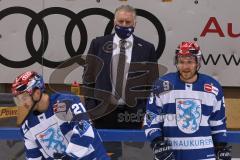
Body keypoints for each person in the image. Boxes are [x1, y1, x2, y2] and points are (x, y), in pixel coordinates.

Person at [83, 5, 159, 160]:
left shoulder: (147, 48)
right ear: (114, 21)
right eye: (121, 21)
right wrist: (91, 108)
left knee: (133, 156)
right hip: (102, 113)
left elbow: (152, 85)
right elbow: (88, 78)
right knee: (105, 155)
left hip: (133, 114)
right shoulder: (98, 44)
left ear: (135, 23)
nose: (124, 25)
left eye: (128, 22)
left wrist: (145, 113)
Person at [144, 41, 232, 160]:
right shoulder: (161, 85)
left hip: (204, 155)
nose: (185, 67)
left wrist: (221, 146)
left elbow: (218, 122)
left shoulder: (213, 87)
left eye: (190, 62)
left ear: (197, 63)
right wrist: (157, 143)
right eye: (181, 62)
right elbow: (151, 119)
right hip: (171, 155)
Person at [11, 71, 110, 160]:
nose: (21, 104)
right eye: (18, 100)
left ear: (37, 93)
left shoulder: (64, 103)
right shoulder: (26, 125)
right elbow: (33, 157)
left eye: (24, 98)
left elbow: (85, 131)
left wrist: (68, 158)